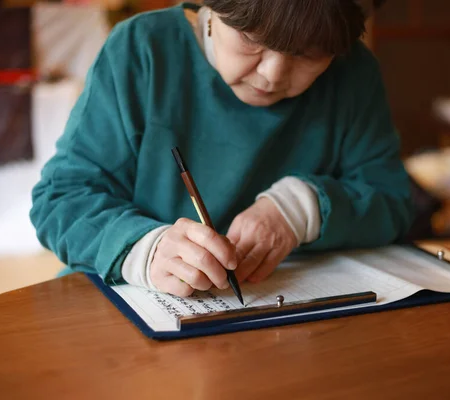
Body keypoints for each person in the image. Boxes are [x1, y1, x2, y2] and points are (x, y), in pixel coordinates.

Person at [30, 0, 413, 298]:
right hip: (133, 306)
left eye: (308, 53)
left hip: (289, 318)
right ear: (211, 8)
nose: (272, 74)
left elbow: (393, 202)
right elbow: (61, 200)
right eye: (252, 39)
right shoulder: (142, 49)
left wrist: (302, 208)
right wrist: (144, 250)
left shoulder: (353, 72)